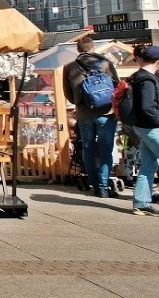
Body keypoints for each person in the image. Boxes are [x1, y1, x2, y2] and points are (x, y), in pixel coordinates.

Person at [62, 37, 121, 198]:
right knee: (105, 150)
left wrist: (80, 103)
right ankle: (103, 187)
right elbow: (116, 86)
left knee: (87, 149)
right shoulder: (105, 63)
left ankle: (94, 184)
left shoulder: (69, 67)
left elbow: (67, 93)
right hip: (106, 113)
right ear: (93, 47)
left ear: (78, 49)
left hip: (84, 113)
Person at [129, 45, 159, 217]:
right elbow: (147, 107)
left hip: (142, 126)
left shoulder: (138, 77)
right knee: (149, 165)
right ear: (157, 61)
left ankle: (141, 203)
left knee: (148, 165)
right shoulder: (147, 80)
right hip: (150, 127)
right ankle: (141, 203)